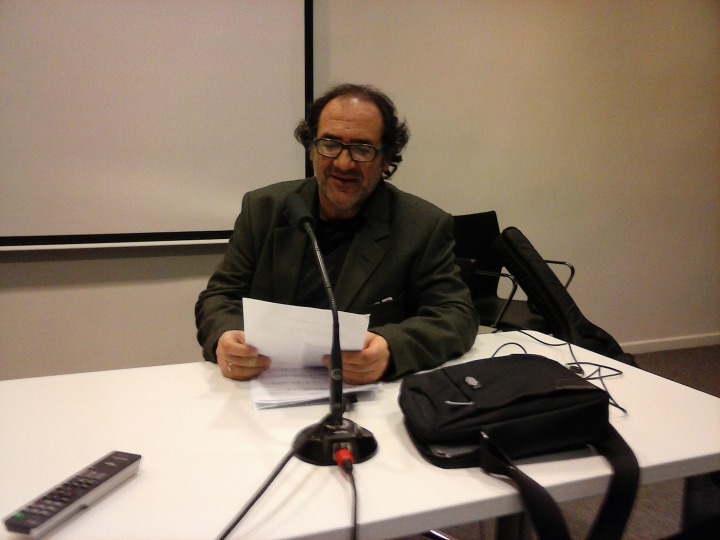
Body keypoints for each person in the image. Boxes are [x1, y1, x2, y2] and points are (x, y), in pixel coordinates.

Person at [195, 83, 479, 384]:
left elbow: (457, 315)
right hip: (264, 386)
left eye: (362, 149)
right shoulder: (263, 209)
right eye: (330, 144)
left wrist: (391, 348)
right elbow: (219, 297)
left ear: (386, 158)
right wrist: (225, 335)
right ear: (312, 148)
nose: (344, 163)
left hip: (363, 395)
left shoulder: (421, 225)